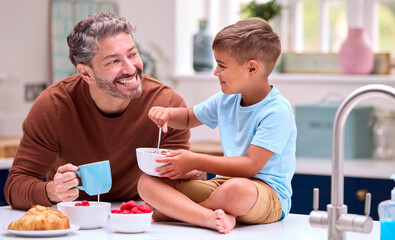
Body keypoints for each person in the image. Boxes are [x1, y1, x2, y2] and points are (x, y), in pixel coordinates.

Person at [4, 12, 193, 210]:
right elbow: (15, 186)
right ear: (86, 73)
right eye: (114, 61)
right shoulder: (54, 106)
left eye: (132, 54)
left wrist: (187, 175)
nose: (131, 68)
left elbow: (177, 182)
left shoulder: (168, 104)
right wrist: (53, 191)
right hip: (74, 217)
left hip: (139, 215)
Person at [138, 17, 297, 234]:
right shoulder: (227, 99)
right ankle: (209, 216)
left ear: (252, 68)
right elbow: (186, 118)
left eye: (222, 65)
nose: (215, 72)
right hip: (224, 186)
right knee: (147, 182)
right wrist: (166, 114)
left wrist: (194, 161)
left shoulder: (277, 110)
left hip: (266, 195)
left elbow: (250, 165)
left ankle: (183, 213)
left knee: (237, 190)